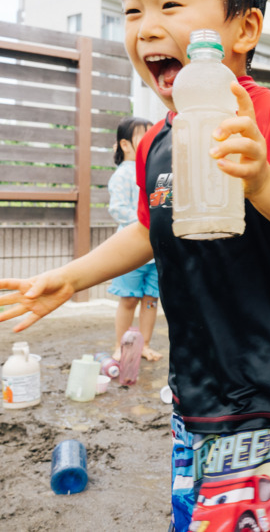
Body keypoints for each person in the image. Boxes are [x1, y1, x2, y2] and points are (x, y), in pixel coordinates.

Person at [0, 0, 270, 532]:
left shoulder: (269, 118)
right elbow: (151, 231)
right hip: (194, 386)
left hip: (267, 387)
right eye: (130, 11)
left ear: (244, 28)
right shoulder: (156, 144)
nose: (147, 27)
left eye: (171, 3)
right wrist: (72, 277)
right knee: (189, 517)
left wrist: (262, 181)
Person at [107, 115, 162, 363]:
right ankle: (120, 346)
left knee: (151, 299)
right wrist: (147, 222)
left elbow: (164, 205)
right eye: (144, 135)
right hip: (130, 248)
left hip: (156, 249)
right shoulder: (122, 174)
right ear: (125, 145)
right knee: (129, 298)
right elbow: (117, 209)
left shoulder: (159, 169)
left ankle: (144, 344)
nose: (151, 139)